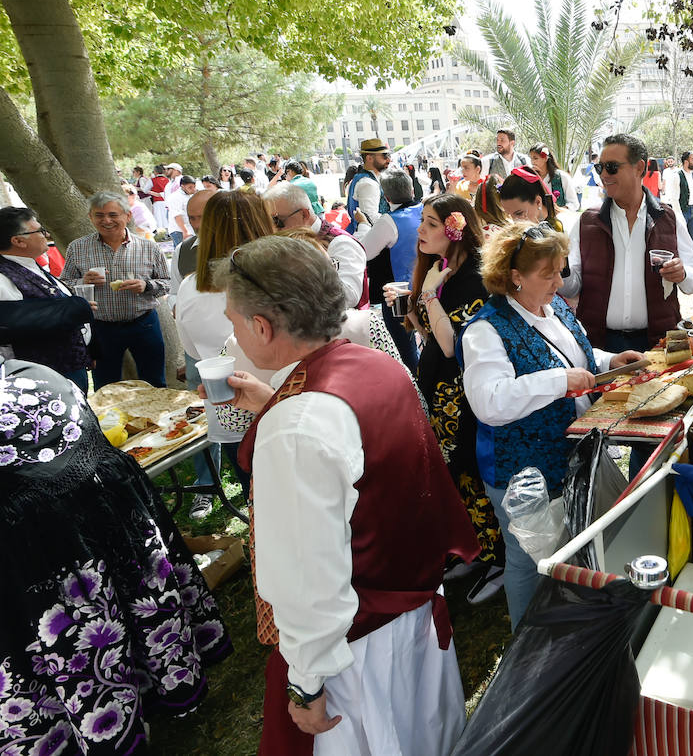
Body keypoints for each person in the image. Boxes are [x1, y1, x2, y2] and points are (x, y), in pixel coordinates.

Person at [213, 235, 477, 753]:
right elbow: (356, 456)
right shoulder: (373, 363)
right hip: (410, 607)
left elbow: (307, 576)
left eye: (234, 320)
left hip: (356, 647)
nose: (234, 332)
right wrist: (277, 406)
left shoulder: (298, 427)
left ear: (262, 326)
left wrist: (307, 680)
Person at [0, 359, 230, 754]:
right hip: (97, 541)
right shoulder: (40, 374)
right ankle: (151, 682)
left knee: (81, 636)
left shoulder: (36, 379)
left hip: (44, 569)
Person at [461, 221, 644, 627]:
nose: (559, 282)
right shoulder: (485, 330)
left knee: (571, 550)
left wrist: (607, 362)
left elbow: (572, 356)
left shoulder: (553, 306)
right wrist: (559, 382)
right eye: (548, 274)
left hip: (570, 456)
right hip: (521, 471)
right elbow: (489, 402)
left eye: (561, 269)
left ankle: (566, 629)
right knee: (527, 563)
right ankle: (526, 644)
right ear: (514, 277)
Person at [404, 193, 505, 604]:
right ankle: (477, 549)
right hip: (441, 388)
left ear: (454, 227)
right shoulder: (444, 268)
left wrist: (428, 297)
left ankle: (500, 559)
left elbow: (453, 347)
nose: (421, 231)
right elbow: (435, 339)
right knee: (455, 471)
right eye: (423, 221)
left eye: (430, 223)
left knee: (472, 468)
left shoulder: (475, 275)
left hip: (464, 392)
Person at [175, 190, 274, 519]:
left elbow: (192, 352)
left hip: (228, 411)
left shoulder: (190, 287)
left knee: (258, 502)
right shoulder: (280, 280)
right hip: (284, 403)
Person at [563, 133, 693, 352]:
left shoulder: (668, 219)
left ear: (639, 168)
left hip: (657, 345)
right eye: (600, 168)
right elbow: (571, 289)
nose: (604, 176)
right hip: (600, 347)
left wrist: (682, 274)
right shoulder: (587, 223)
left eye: (611, 167)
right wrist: (559, 265)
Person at [63, 191, 171, 388]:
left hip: (144, 323)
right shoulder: (77, 248)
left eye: (113, 215)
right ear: (90, 217)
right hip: (102, 326)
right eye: (99, 215)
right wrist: (82, 281)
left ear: (127, 216)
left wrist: (146, 286)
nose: (106, 220)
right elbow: (64, 285)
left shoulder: (149, 247)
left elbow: (167, 283)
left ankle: (155, 418)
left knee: (154, 381)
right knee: (105, 384)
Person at [0, 208, 94, 385]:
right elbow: (12, 322)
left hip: (69, 365)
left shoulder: (29, 265)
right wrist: (77, 307)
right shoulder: (3, 277)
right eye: (39, 231)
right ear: (18, 241)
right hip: (44, 378)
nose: (46, 234)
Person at [353, 170, 423, 370]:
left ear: (386, 197)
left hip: (400, 295)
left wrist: (364, 225)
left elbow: (364, 252)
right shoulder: (425, 209)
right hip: (428, 287)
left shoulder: (389, 220)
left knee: (405, 350)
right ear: (411, 190)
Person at [264, 182, 368, 310]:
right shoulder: (285, 243)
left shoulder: (340, 242)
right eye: (268, 223)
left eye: (277, 221)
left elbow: (348, 297)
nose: (273, 229)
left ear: (304, 214)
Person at [345, 139, 391, 233]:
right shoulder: (368, 184)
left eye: (388, 155)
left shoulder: (362, 177)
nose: (388, 159)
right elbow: (370, 218)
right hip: (371, 237)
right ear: (369, 158)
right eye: (384, 156)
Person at [498, 165, 562, 230]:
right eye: (509, 215)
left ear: (538, 202)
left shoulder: (566, 226)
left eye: (519, 213)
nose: (515, 222)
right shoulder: (529, 232)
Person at [530, 144, 579, 211]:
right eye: (531, 158)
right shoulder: (531, 178)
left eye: (535, 158)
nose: (532, 162)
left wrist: (560, 210)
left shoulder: (562, 177)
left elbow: (574, 203)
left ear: (545, 158)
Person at [668, 151, 693, 239]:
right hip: (683, 211)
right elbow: (674, 198)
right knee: (682, 241)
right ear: (686, 162)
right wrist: (679, 215)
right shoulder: (677, 175)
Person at [165, 175, 198, 247]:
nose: (193, 189)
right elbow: (177, 215)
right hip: (179, 230)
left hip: (189, 229)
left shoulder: (189, 195)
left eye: (194, 187)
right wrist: (185, 231)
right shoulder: (175, 197)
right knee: (181, 254)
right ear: (182, 186)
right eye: (190, 187)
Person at [150, 164, 171, 230]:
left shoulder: (152, 180)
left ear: (155, 172)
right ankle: (167, 232)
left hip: (157, 201)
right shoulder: (167, 180)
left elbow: (145, 190)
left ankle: (160, 231)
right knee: (166, 217)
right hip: (166, 201)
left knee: (158, 218)